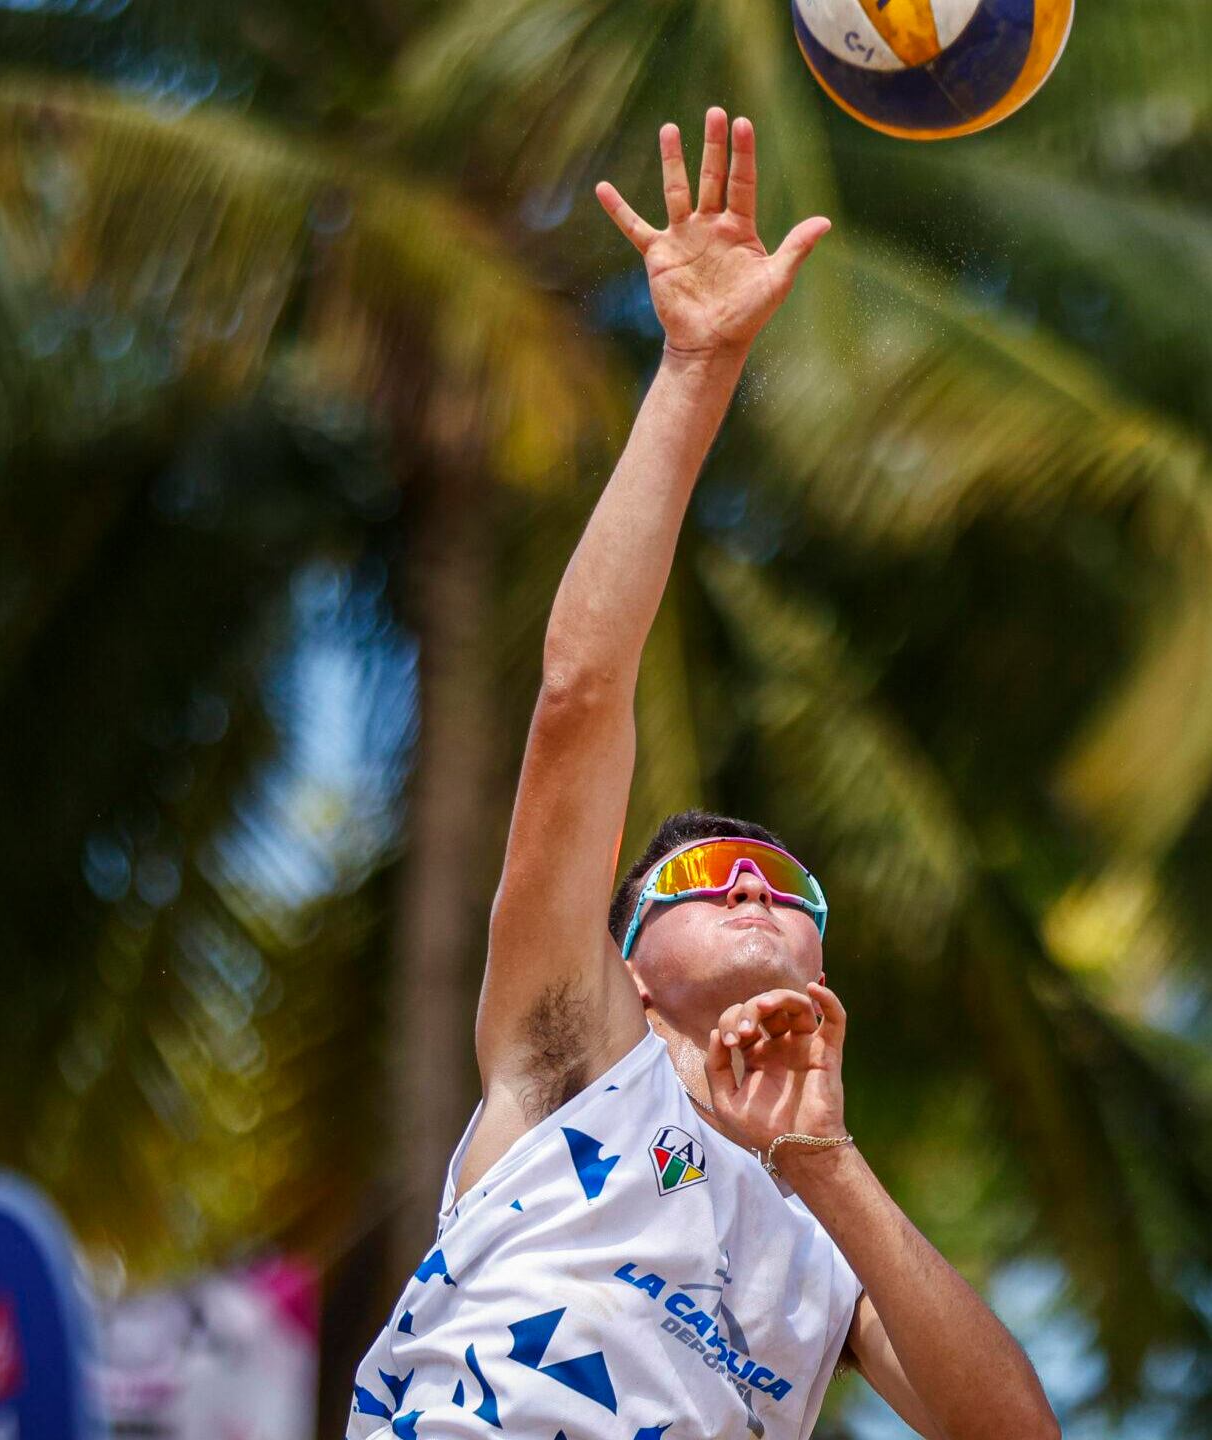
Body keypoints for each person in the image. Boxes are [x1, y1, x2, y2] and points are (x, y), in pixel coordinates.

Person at [345, 109, 1059, 1440]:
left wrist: (825, 1163)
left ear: (820, 965)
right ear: (624, 961)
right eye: (697, 877)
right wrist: (694, 373)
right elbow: (578, 697)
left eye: (781, 881)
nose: (745, 885)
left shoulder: (819, 1243)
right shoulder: (570, 1055)